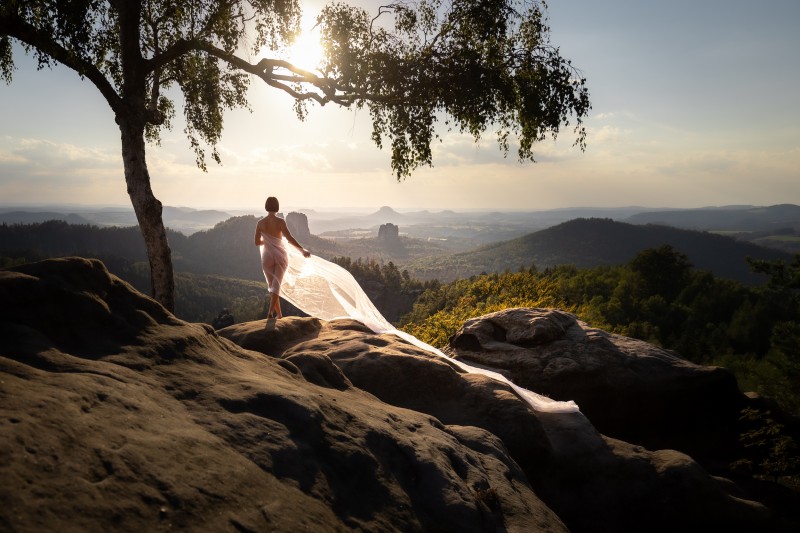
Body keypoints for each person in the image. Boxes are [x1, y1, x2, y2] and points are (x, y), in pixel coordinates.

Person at [254, 196, 310, 319]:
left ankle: (279, 315)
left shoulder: (260, 223)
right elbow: (289, 238)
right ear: (277, 207)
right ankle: (271, 312)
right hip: (280, 255)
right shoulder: (280, 222)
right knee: (276, 285)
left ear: (266, 206)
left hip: (267, 256)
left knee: (273, 287)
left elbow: (257, 242)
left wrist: (267, 242)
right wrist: (302, 250)